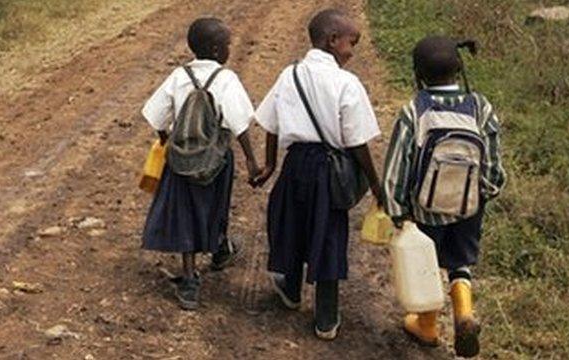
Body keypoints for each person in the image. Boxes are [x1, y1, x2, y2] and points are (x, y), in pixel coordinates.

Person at [252, 8, 383, 340]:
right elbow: (357, 141)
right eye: (351, 43)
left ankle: (291, 291)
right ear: (332, 40)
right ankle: (326, 317)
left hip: (296, 164)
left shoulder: (290, 74)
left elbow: (271, 122)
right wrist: (375, 182)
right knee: (327, 234)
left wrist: (270, 165)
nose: (352, 52)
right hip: (328, 168)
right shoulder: (346, 83)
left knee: (292, 225)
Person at [382, 35, 506, 357]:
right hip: (468, 207)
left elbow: (398, 166)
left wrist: (398, 211)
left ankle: (427, 327)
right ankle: (464, 313)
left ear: (418, 74)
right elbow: (493, 168)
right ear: (459, 69)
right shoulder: (480, 107)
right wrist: (482, 195)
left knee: (427, 265)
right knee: (460, 261)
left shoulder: (414, 111)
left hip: (425, 210)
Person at [140, 17, 259, 310]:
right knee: (216, 205)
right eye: (228, 44)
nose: (230, 49)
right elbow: (240, 124)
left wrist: (167, 140)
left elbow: (155, 115)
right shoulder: (226, 79)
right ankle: (219, 249)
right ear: (218, 50)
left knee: (185, 213)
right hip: (215, 160)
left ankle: (190, 278)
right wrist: (252, 162)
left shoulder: (179, 76)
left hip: (181, 161)